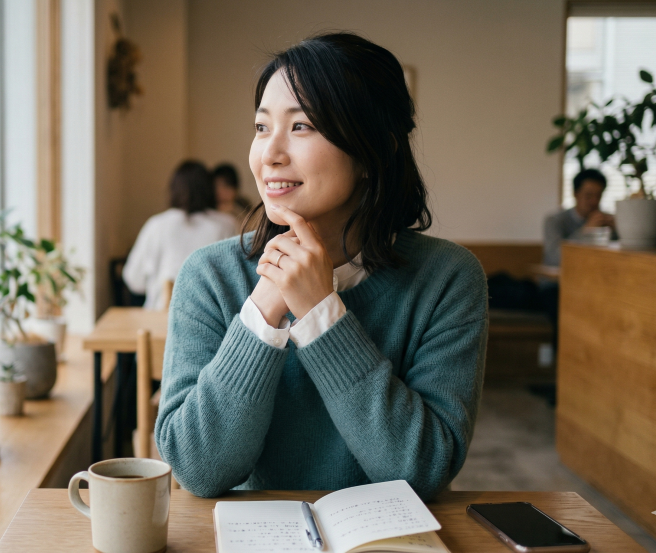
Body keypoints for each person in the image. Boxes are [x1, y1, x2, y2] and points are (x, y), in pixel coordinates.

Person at [155, 33, 487, 501]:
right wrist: (264, 307)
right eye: (261, 127)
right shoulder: (209, 275)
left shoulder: (447, 280)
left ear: (376, 150)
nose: (269, 154)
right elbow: (196, 469)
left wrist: (320, 313)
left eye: (302, 126)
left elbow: (424, 471)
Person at [123, 160, 237, 309]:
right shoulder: (226, 224)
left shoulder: (156, 225)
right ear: (209, 189)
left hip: (160, 319)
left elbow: (133, 280)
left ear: (174, 189)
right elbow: (236, 281)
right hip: (212, 320)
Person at [542, 169, 616, 267]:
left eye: (598, 196)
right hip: (556, 280)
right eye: (588, 196)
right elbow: (554, 258)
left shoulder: (605, 220)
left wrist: (619, 229)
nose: (594, 201)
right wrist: (586, 231)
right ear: (575, 194)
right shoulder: (555, 220)